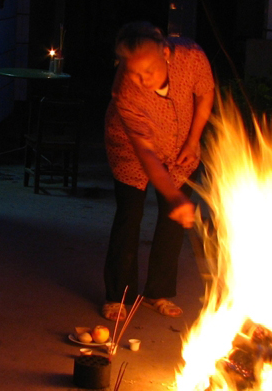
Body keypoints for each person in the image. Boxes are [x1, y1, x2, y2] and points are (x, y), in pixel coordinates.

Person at [102, 21, 215, 321]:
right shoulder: (125, 93)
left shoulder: (192, 56)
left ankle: (157, 292)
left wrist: (193, 141)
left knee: (173, 220)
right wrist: (173, 195)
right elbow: (146, 154)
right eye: (132, 72)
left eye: (148, 70)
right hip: (130, 146)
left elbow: (205, 95)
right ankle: (119, 295)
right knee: (130, 214)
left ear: (166, 53)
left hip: (181, 142)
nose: (141, 80)